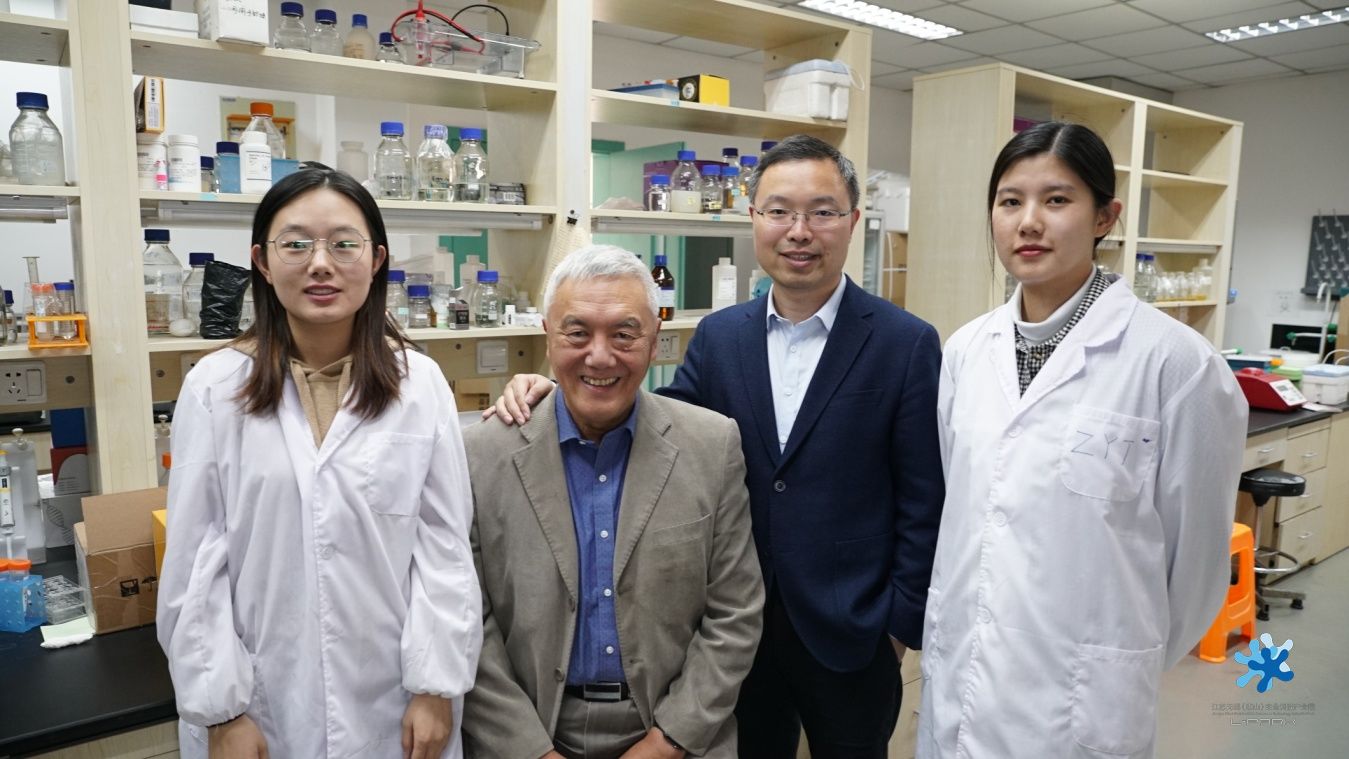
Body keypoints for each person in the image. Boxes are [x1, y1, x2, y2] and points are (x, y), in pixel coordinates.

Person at [488, 136, 945, 758]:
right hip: (736, 635)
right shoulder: (721, 336)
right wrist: (554, 392)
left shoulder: (904, 342)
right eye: (779, 211)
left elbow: (924, 499)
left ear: (853, 220)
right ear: (753, 218)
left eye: (821, 212)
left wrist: (896, 630)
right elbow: (656, 423)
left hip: (852, 633)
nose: (799, 231)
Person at [918, 121, 1247, 758]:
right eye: (1010, 201)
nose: (1028, 222)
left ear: (1104, 217)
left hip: (1082, 700)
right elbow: (965, 511)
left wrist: (1115, 657)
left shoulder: (1175, 363)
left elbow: (1196, 567)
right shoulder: (965, 350)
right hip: (963, 674)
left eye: (1057, 200)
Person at [157, 169, 482, 759]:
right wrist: (223, 711)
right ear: (262, 261)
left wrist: (436, 687)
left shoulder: (421, 383)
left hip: (397, 703)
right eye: (296, 244)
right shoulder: (214, 387)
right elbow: (195, 562)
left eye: (344, 243)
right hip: (261, 706)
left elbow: (443, 547)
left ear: (377, 259)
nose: (321, 264)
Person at [461, 244, 764, 759]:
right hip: (529, 730)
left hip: (676, 733)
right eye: (577, 333)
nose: (600, 356)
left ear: (654, 342)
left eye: (624, 334)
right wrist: (530, 750)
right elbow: (469, 621)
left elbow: (735, 612)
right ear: (548, 336)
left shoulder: (711, 446)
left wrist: (666, 743)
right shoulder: (481, 454)